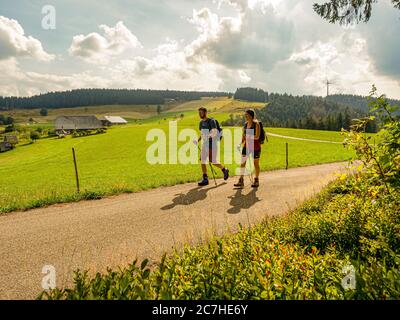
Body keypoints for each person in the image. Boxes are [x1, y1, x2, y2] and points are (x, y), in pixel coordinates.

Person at [195, 107, 229, 186]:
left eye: (201, 112)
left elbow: (214, 132)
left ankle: (224, 169)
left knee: (212, 160)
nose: (200, 114)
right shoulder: (201, 123)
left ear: (205, 112)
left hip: (212, 143)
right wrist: (198, 140)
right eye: (199, 113)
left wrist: (208, 136)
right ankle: (205, 178)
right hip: (205, 143)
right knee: (202, 160)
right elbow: (203, 134)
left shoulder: (211, 121)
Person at [234, 109, 262, 188]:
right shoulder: (245, 125)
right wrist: (240, 144)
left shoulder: (256, 124)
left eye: (247, 115)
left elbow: (257, 136)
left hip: (255, 147)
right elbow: (244, 136)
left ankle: (256, 180)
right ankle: (241, 180)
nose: (245, 116)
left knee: (255, 164)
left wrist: (248, 136)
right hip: (246, 146)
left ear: (251, 115)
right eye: (245, 115)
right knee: (242, 163)